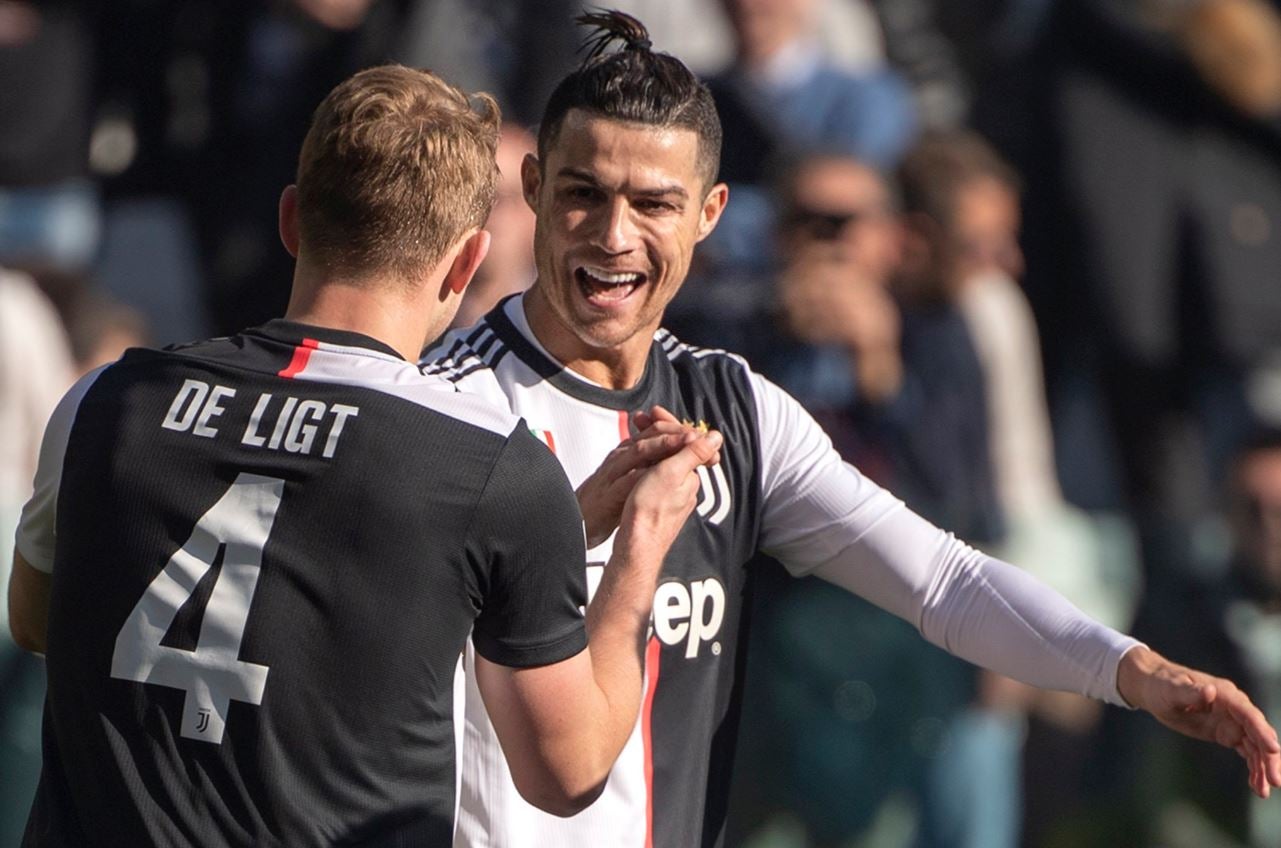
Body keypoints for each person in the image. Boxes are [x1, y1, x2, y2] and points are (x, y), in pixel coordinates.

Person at [422, 11, 1281, 848]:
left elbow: (941, 581)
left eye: (654, 203)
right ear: (531, 188)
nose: (615, 237)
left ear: (710, 213)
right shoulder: (442, 403)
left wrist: (1130, 670)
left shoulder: (734, 410)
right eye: (583, 194)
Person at [7, 63, 721, 846]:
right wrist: (642, 544)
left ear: (290, 221)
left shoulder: (106, 401)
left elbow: (38, 619)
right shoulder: (493, 467)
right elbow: (567, 771)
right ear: (466, 261)